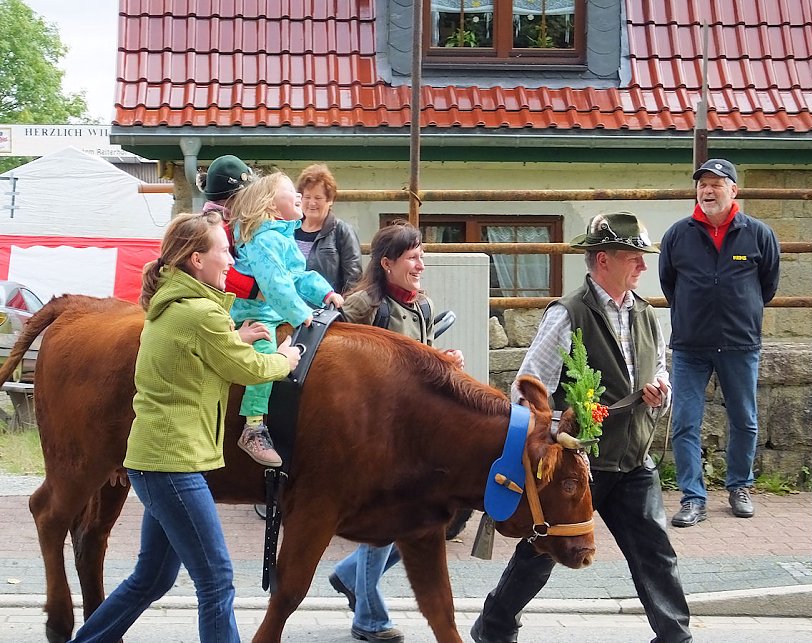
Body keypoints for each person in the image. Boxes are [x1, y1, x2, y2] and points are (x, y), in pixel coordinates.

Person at [70, 211, 301, 643]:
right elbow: (247, 369)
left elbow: (207, 356)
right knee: (217, 581)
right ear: (197, 260)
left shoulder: (177, 307)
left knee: (151, 579)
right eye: (224, 251)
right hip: (172, 464)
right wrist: (283, 361)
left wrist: (237, 339)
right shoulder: (199, 314)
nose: (231, 259)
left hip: (159, 461)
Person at [471, 211, 692, 643]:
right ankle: (494, 625)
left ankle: (675, 638)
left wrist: (659, 390)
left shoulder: (646, 314)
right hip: (581, 465)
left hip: (633, 459)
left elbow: (661, 369)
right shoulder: (567, 314)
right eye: (634, 257)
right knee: (545, 552)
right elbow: (528, 387)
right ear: (604, 259)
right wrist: (561, 432)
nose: (644, 266)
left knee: (655, 552)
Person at [328, 220, 463, 643]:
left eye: (422, 255)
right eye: (412, 257)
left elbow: (418, 365)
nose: (420, 264)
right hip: (373, 437)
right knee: (387, 520)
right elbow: (331, 355)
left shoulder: (422, 306)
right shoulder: (363, 306)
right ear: (387, 263)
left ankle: (351, 576)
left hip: (412, 437)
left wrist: (443, 360)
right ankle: (368, 617)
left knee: (421, 517)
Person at [659, 158, 780, 528]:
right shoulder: (678, 234)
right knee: (684, 422)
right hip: (690, 346)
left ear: (733, 190)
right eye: (702, 185)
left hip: (740, 343)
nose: (708, 190)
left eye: (716, 184)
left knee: (744, 421)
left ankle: (739, 487)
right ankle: (692, 498)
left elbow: (768, 286)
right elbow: (669, 284)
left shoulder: (758, 234)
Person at [228, 171, 344, 467]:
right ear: (269, 205)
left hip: (274, 312)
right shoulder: (263, 239)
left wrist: (324, 293)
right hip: (253, 314)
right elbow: (275, 284)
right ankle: (253, 426)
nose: (298, 195)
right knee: (265, 355)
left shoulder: (283, 236)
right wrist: (300, 313)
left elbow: (297, 275)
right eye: (291, 191)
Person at [295, 163, 363, 293]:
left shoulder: (342, 231)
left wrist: (341, 310)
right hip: (289, 309)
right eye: (307, 197)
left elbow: (353, 281)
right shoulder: (289, 229)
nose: (312, 203)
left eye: (318, 198)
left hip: (327, 310)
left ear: (330, 200)